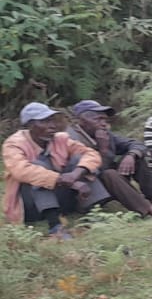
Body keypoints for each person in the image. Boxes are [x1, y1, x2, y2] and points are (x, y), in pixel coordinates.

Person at [3, 102, 107, 238]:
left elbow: (91, 154)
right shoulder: (13, 144)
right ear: (30, 125)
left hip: (60, 198)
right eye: (44, 122)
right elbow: (21, 171)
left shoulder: (61, 138)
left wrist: (76, 173)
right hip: (32, 205)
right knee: (37, 167)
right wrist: (64, 180)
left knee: (80, 160)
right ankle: (55, 226)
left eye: (52, 120)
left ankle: (93, 212)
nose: (52, 126)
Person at [66, 100, 152, 220]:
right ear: (81, 121)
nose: (104, 124)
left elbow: (136, 144)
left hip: (109, 181)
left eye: (105, 120)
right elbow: (91, 171)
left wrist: (131, 155)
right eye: (98, 119)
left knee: (137, 158)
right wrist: (104, 150)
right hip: (88, 190)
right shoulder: (71, 139)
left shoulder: (105, 134)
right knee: (110, 173)